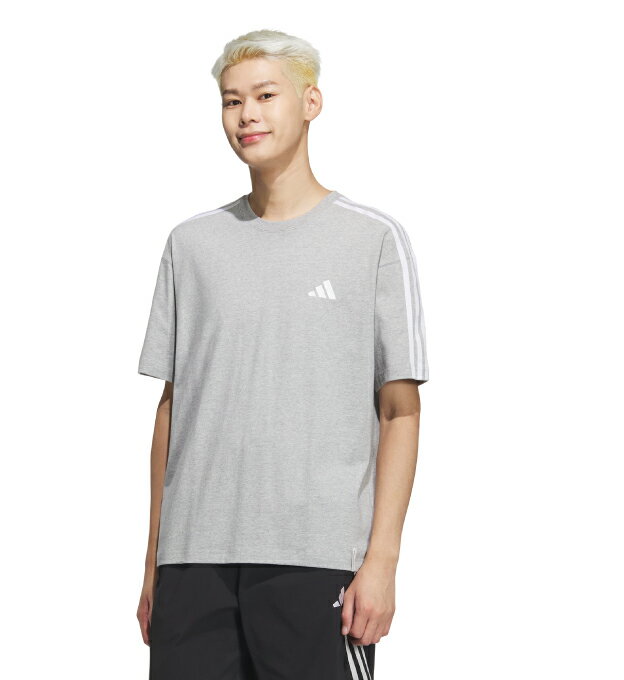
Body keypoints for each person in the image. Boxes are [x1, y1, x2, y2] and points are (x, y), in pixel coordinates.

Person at [135, 28, 429, 680]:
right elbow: (172, 409)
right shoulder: (191, 244)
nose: (247, 114)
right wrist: (155, 560)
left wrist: (382, 561)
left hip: (317, 559)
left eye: (266, 95)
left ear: (310, 102)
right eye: (231, 100)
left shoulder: (373, 240)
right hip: (193, 564)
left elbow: (399, 411)